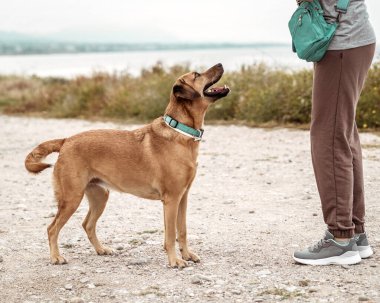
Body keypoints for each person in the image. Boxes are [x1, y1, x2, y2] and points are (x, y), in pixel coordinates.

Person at [292, 0, 376, 265]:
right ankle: (355, 232)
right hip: (354, 38)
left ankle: (340, 238)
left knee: (328, 138)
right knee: (343, 135)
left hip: (341, 42)